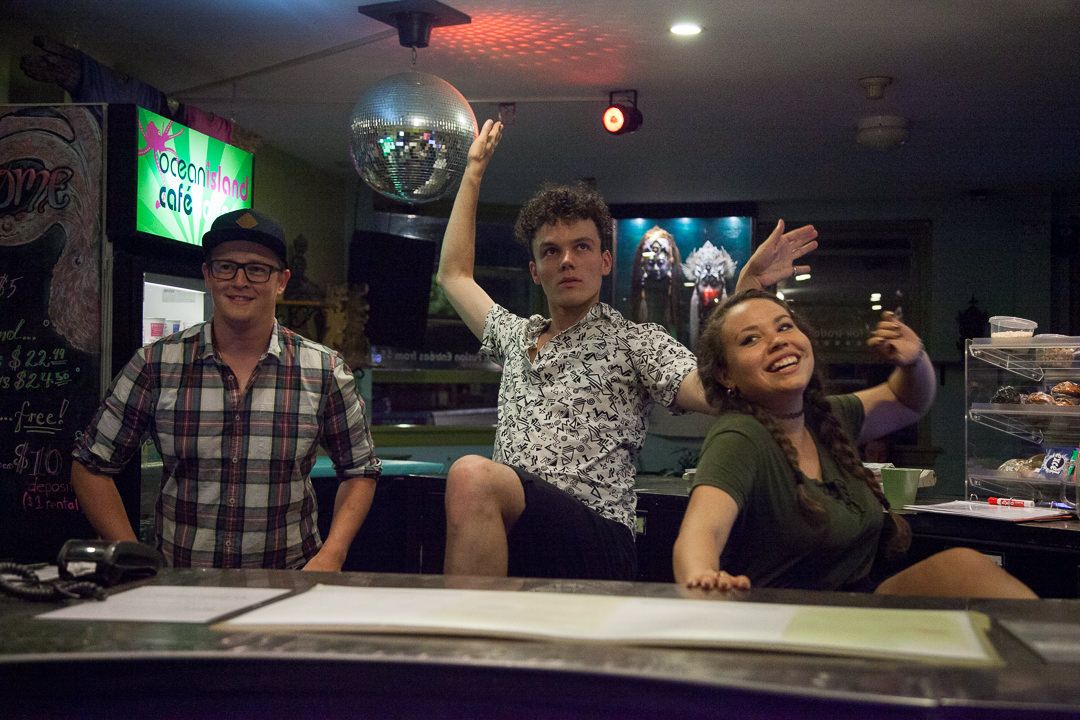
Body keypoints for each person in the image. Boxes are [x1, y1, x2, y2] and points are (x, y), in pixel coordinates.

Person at [435, 119, 819, 580]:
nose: (568, 260)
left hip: (597, 539)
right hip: (523, 529)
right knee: (472, 488)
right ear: (535, 271)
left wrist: (747, 292)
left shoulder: (634, 342)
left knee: (472, 475)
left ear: (605, 261)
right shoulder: (516, 337)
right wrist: (473, 171)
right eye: (551, 251)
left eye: (581, 247)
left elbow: (717, 390)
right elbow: (454, 275)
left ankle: (467, 628)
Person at [672, 289, 1036, 598]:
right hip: (791, 625)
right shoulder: (740, 436)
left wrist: (914, 359)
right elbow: (701, 532)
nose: (778, 340)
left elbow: (907, 400)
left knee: (963, 567)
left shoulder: (825, 417)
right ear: (725, 374)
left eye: (784, 326)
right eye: (750, 339)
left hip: (852, 608)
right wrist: (704, 581)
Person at [71, 209, 380, 570]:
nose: (240, 281)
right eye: (226, 267)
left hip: (290, 584)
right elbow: (90, 465)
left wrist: (332, 554)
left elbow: (360, 470)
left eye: (257, 269)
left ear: (281, 281)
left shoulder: (324, 370)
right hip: (181, 586)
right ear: (208, 275)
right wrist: (131, 556)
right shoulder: (156, 364)